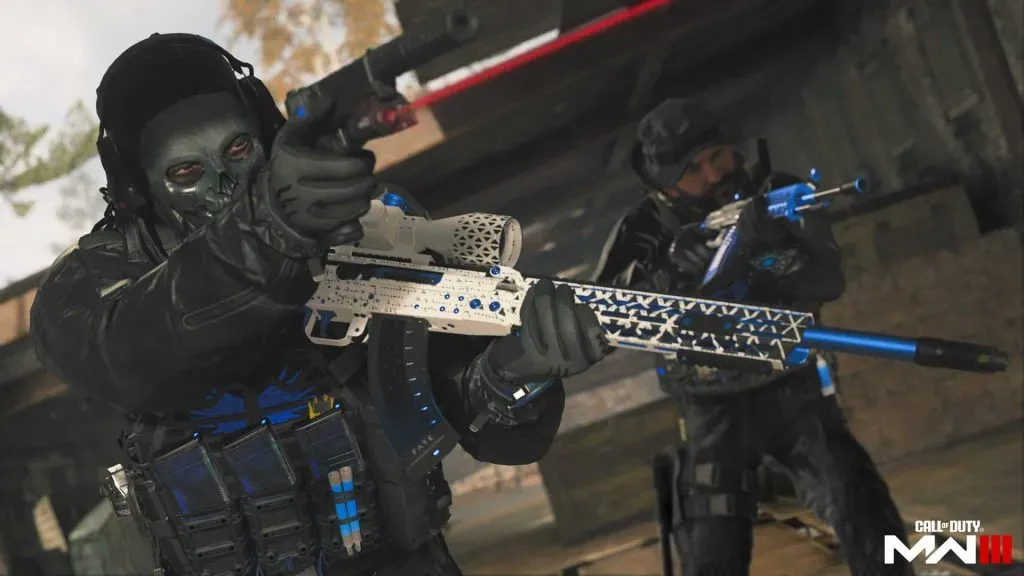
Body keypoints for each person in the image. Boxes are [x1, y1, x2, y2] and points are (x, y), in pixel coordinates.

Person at [29, 34, 609, 576]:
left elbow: (477, 421)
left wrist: (516, 374)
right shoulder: (90, 283)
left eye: (239, 149)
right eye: (187, 172)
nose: (227, 187)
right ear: (137, 183)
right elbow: (136, 355)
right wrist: (268, 232)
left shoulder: (368, 229)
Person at [594, 99, 911, 576]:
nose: (713, 174)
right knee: (712, 547)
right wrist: (668, 268)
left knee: (861, 506)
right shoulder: (645, 229)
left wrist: (766, 253)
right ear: (666, 183)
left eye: (716, 156)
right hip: (710, 405)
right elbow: (600, 317)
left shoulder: (777, 194)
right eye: (692, 170)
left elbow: (827, 282)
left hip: (795, 388)